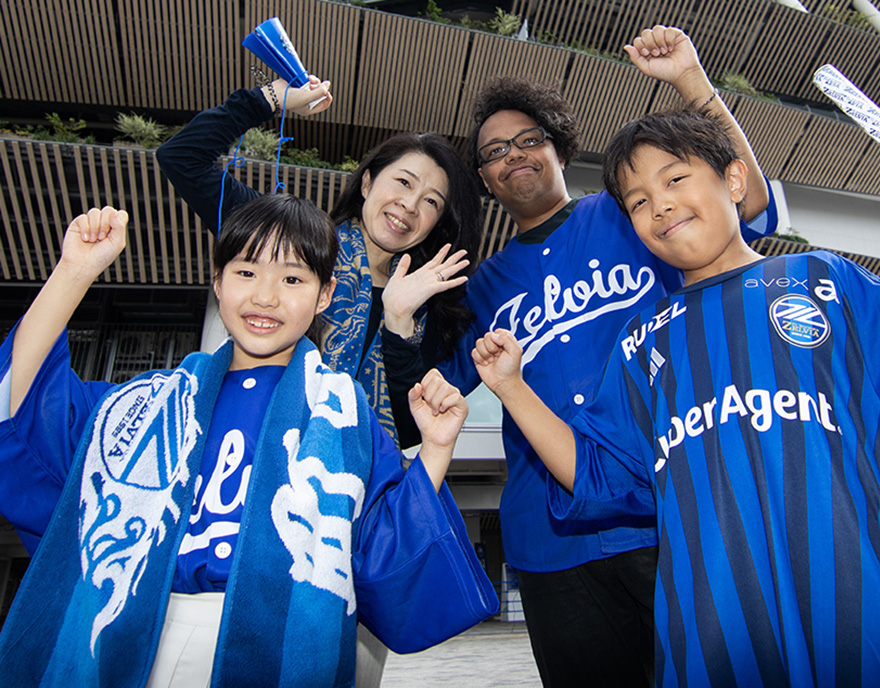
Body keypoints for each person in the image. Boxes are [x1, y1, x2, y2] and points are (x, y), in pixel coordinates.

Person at [471, 103, 880, 686]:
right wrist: (512, 388)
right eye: (636, 202)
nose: (659, 206)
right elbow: (599, 477)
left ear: (734, 180)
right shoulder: (640, 347)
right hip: (715, 649)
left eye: (675, 179)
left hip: (864, 632)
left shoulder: (827, 283)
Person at [403, 26, 776, 686]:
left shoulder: (632, 213)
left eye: (527, 139)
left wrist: (692, 82)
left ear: (557, 146)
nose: (513, 155)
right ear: (485, 180)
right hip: (553, 543)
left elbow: (747, 204)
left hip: (675, 514)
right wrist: (397, 313)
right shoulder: (480, 288)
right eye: (493, 153)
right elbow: (424, 393)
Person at [0, 195, 498, 687]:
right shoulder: (148, 403)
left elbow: (384, 549)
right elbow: (20, 404)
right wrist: (74, 272)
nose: (265, 297)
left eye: (293, 279)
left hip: (284, 645)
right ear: (217, 283)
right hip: (128, 633)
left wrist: (434, 448)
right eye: (245, 272)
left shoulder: (345, 415)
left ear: (325, 295)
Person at [157, 75, 482, 451]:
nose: (410, 205)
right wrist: (271, 98)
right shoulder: (291, 242)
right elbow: (182, 158)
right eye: (404, 183)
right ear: (367, 184)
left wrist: (398, 325)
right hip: (245, 450)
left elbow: (410, 431)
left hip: (349, 488)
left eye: (431, 201)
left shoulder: (426, 304)